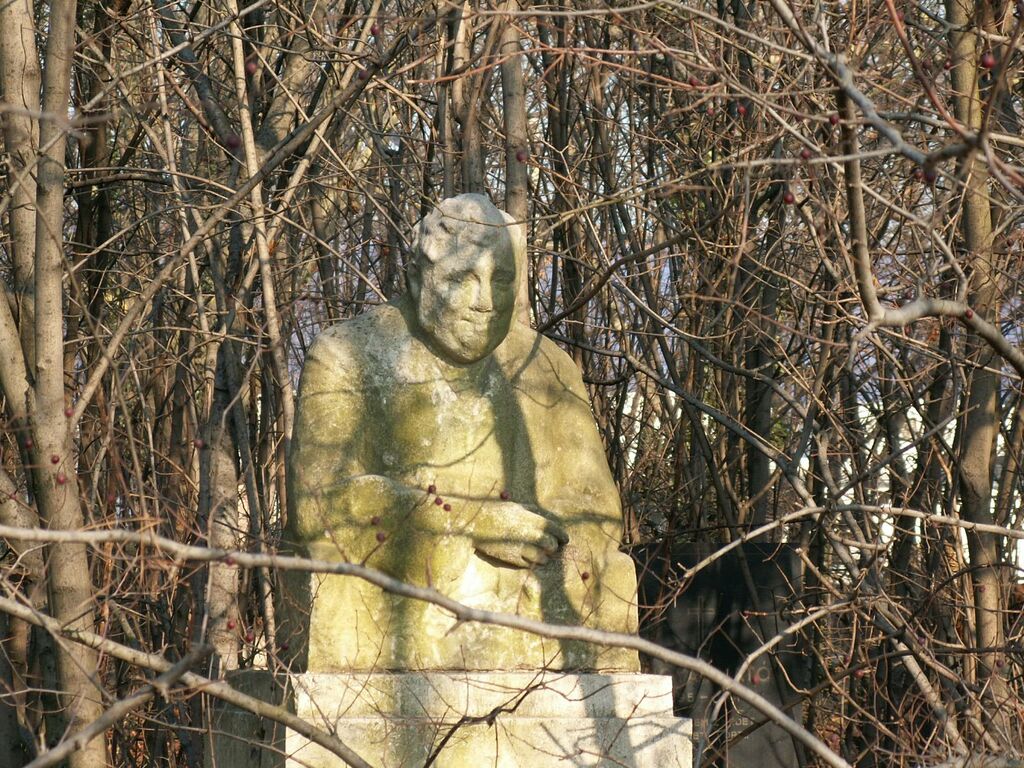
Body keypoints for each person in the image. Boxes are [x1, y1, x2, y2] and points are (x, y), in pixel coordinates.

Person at [281, 194, 639, 671]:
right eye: (462, 279)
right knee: (339, 584)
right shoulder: (346, 355)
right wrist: (474, 525)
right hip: (400, 577)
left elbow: (594, 508)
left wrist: (557, 546)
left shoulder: (546, 368)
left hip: (525, 588)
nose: (484, 302)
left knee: (609, 578)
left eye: (501, 280)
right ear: (417, 280)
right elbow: (320, 505)